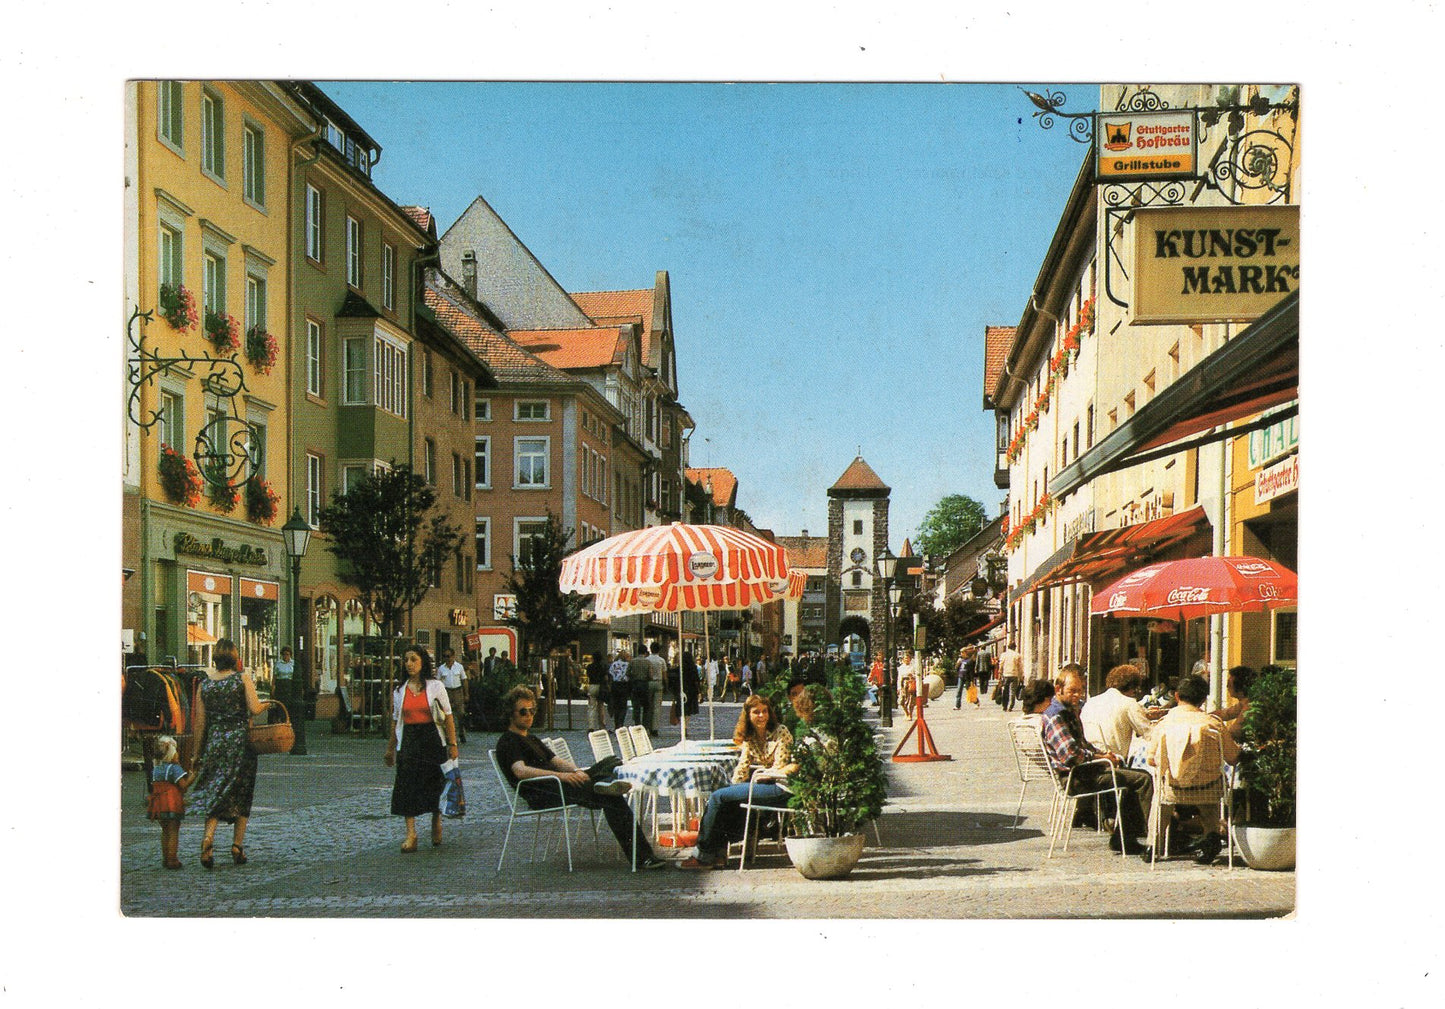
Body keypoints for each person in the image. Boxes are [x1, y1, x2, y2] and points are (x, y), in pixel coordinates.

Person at [496, 685, 666, 869]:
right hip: (543, 792)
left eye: (532, 710)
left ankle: (604, 781)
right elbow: (520, 771)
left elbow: (556, 761)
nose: (529, 715)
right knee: (610, 796)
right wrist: (562, 777)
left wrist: (577, 771)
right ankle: (642, 857)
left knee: (611, 761)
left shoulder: (531, 738)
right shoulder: (508, 741)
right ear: (511, 714)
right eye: (523, 711)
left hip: (559, 785)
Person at [1041, 664, 1154, 856]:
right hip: (1076, 778)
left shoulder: (1068, 711)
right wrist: (1100, 758)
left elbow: (1083, 745)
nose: (1077, 695)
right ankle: (1140, 836)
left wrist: (1103, 755)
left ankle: (1123, 836)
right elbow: (1070, 755)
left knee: (1134, 776)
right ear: (1058, 689)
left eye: (1080, 691)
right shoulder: (1057, 716)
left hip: (1083, 772)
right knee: (1142, 779)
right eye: (1072, 691)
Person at [679, 694, 795, 870]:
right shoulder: (749, 736)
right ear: (748, 715)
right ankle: (719, 854)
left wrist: (760, 776)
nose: (762, 716)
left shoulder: (781, 732)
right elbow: (742, 767)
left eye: (765, 711)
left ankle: (702, 857)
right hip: (764, 783)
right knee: (725, 798)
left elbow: (781, 766)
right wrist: (733, 788)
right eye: (756, 712)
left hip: (782, 786)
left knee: (717, 797)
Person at [186, 638, 265, 869]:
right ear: (234, 657)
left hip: (215, 743)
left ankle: (207, 839)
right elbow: (255, 708)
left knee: (215, 792)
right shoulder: (242, 679)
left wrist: (196, 754)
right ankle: (237, 846)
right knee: (242, 793)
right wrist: (267, 705)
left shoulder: (205, 685)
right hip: (240, 745)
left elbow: (200, 723)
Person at [1147, 673, 1241, 864]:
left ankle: (1153, 844)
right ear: (1203, 699)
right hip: (1207, 788)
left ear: (1177, 696)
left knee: (1161, 797)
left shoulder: (1164, 724)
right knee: (1212, 792)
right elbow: (1232, 758)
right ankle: (1211, 838)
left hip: (1173, 788)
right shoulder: (1213, 724)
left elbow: (1151, 760)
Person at [384, 646, 459, 852]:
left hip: (432, 739)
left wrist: (453, 745)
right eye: (406, 660)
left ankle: (436, 820)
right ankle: (411, 834)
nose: (409, 664)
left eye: (413, 659)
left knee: (435, 783)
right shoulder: (399, 691)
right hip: (409, 740)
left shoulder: (436, 686)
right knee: (406, 785)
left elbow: (448, 716)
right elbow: (395, 721)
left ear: (423, 662)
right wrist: (390, 750)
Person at [1079, 663, 1168, 762]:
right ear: (1132, 688)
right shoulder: (1129, 703)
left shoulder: (1091, 702)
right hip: (1113, 761)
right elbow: (1149, 733)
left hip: (1089, 759)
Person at [147, 734, 193, 869]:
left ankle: (165, 858)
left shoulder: (156, 768)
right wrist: (193, 776)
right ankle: (172, 859)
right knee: (173, 830)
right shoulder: (174, 768)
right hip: (171, 802)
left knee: (165, 830)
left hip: (158, 803)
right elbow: (183, 785)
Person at [1214, 665, 1256, 743]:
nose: (1227, 687)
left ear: (1240, 687)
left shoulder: (1251, 706)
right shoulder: (1244, 702)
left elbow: (1234, 732)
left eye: (1229, 684)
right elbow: (1225, 713)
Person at [437, 648, 468, 743]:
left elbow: (464, 680)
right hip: (446, 692)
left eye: (448, 656)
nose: (447, 658)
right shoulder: (441, 668)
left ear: (453, 656)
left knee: (461, 713)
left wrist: (466, 694)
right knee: (446, 714)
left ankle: (461, 732)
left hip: (458, 691)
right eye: (445, 656)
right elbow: (438, 682)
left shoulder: (459, 667)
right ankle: (448, 735)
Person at [607, 649, 631, 729]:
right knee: (623, 706)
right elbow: (630, 675)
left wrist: (610, 685)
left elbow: (610, 674)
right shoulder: (628, 665)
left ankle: (616, 723)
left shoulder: (614, 664)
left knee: (616, 705)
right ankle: (621, 723)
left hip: (615, 685)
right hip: (624, 685)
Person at [998, 637, 1024, 712]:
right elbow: (1020, 667)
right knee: (1013, 691)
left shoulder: (1003, 655)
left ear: (1008, 647)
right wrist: (1021, 676)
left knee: (1005, 691)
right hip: (1014, 675)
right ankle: (1011, 706)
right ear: (1014, 647)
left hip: (1006, 675)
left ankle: (1004, 706)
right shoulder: (1017, 655)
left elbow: (1001, 664)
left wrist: (1000, 673)